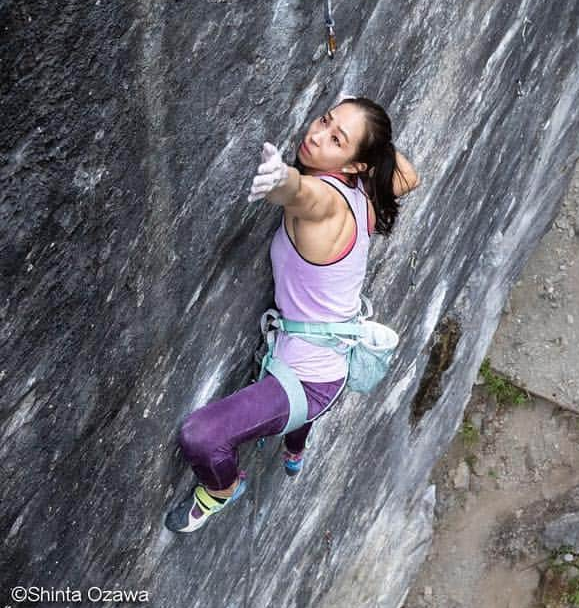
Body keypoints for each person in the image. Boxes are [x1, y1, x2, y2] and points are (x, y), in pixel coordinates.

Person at [165, 96, 420, 533]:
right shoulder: (368, 189)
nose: (316, 135)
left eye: (335, 139)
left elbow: (302, 194)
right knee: (297, 417)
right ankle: (295, 450)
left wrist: (282, 179)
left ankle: (223, 491)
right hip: (331, 356)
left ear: (356, 164)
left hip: (310, 380)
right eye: (324, 120)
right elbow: (409, 174)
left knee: (201, 437)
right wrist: (361, 133)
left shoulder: (328, 200)